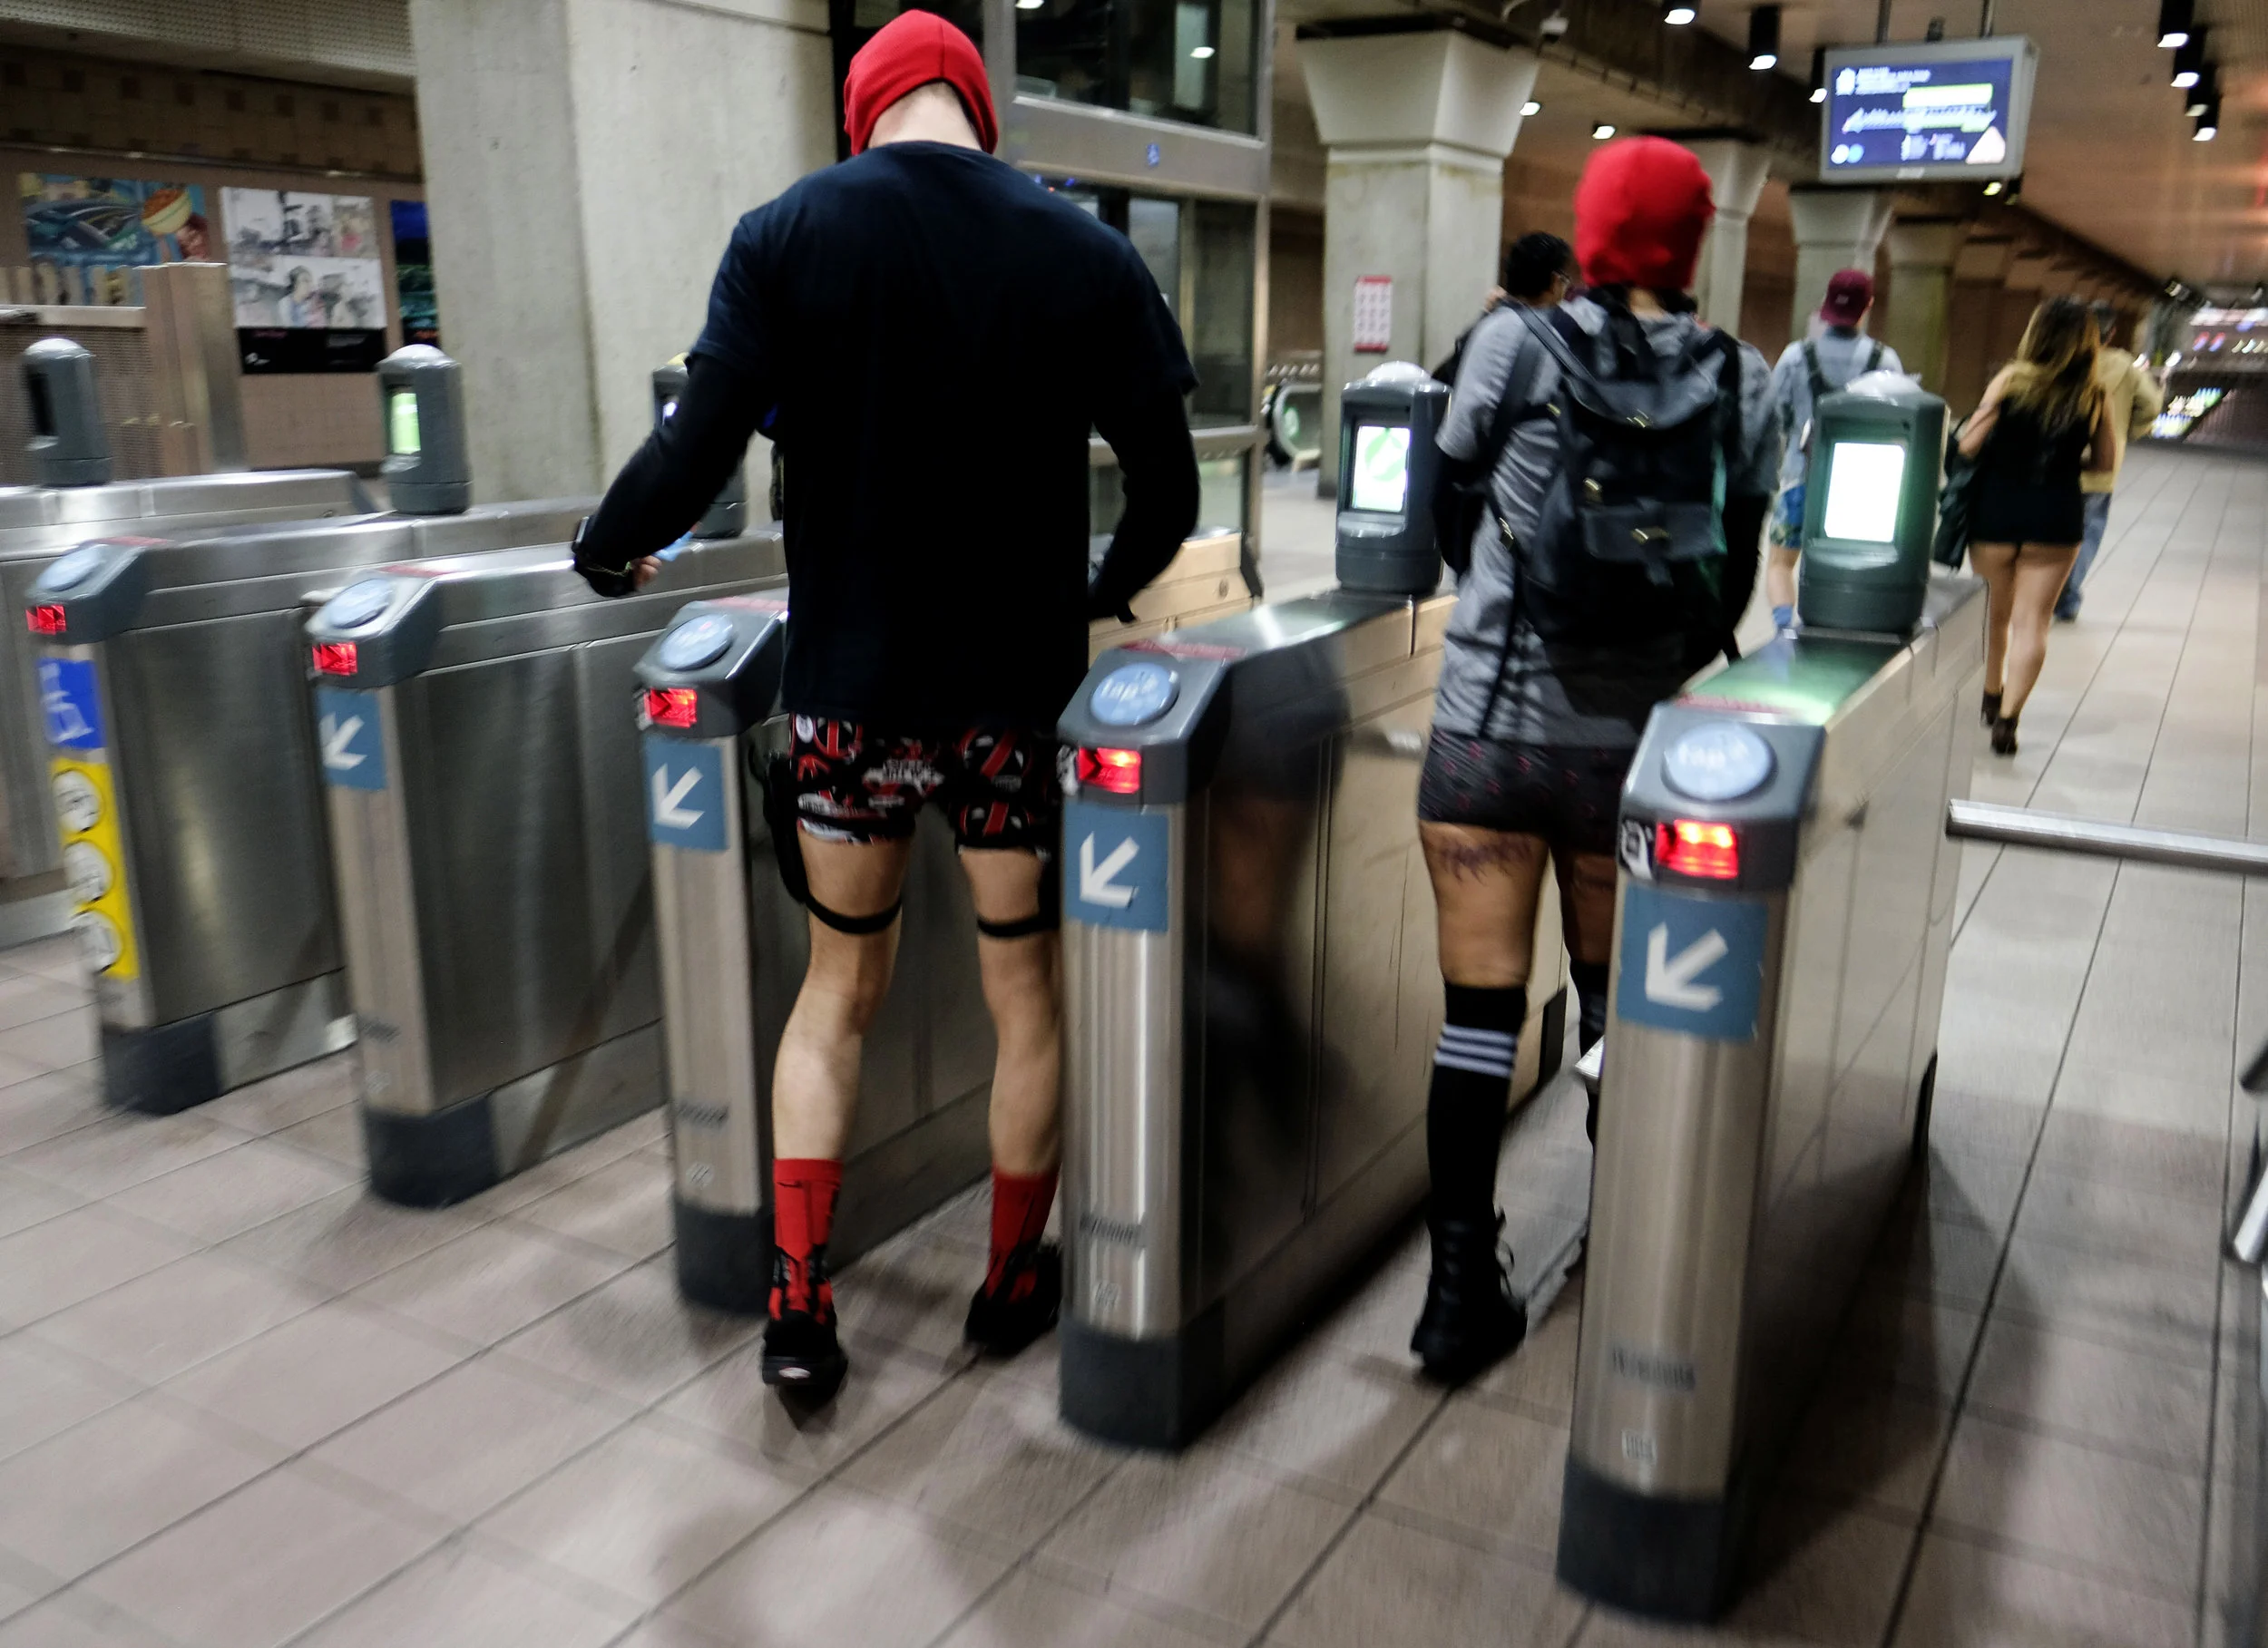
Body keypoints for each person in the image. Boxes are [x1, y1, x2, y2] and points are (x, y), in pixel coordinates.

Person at [570, 9, 1200, 1401]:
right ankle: (1009, 1280)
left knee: (836, 991)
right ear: (979, 106)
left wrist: (608, 544)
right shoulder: (1084, 252)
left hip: (848, 696)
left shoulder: (786, 233)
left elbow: (696, 446)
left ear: (862, 114)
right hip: (1010, 708)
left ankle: (798, 1304)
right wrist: (1091, 594)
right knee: (1023, 989)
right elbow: (1171, 495)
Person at [1413, 137, 1780, 1384]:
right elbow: (1732, 562)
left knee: (1476, 1022)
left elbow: (1448, 482)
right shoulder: (1742, 373)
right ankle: (1628, 1256)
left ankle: (1458, 1291)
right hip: (1630, 760)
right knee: (1619, 1015)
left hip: (1484, 735)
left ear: (1593, 229)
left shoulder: (1516, 344)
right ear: (1693, 241)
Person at [1960, 296, 2118, 756]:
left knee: (1995, 615)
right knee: (2034, 624)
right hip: (2056, 514)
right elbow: (2105, 463)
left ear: (2037, 333)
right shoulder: (2093, 394)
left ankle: (1990, 696)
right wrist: (2066, 459)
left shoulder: (2009, 381)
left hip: (1997, 511)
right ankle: (2008, 720)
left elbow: (1969, 446)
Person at [1763, 269, 1904, 629]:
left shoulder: (1796, 356)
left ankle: (1784, 627)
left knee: (1780, 563)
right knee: (1846, 564)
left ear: (1826, 305)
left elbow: (1773, 415)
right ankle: (1838, 626)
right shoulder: (1885, 362)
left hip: (1800, 481)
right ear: (1868, 306)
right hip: (1859, 492)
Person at [2056, 302, 2164, 621]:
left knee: (2055, 530)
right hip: (2103, 464)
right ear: (2112, 332)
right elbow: (2152, 405)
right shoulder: (2125, 367)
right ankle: (2068, 596)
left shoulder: (2063, 362)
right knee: (2088, 531)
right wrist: (2128, 428)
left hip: (2061, 464)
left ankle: (2046, 590)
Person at [1431, 232, 1576, 387]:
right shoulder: (1547, 339)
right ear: (1555, 282)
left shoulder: (1487, 324)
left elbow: (1442, 379)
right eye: (1565, 281)